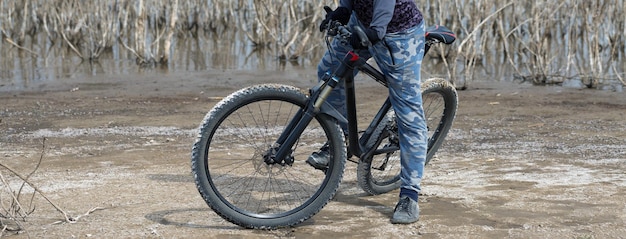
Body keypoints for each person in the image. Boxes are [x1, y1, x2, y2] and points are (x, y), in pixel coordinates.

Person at [306, 0, 427, 224]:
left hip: (399, 36)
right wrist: (344, 9)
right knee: (329, 73)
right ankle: (338, 142)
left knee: (409, 116)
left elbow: (382, 13)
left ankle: (410, 195)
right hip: (361, 23)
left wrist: (374, 30)